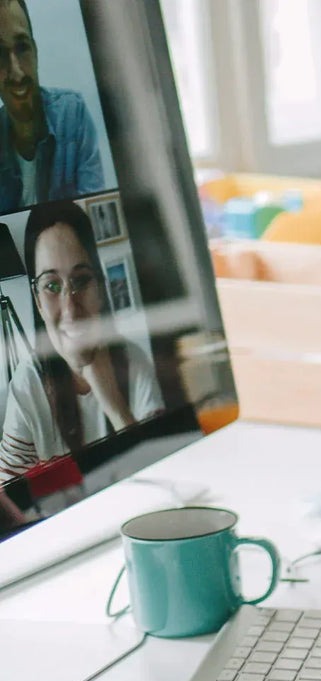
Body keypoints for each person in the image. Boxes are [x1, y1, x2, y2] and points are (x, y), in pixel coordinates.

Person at [0, 199, 160, 479]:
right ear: (37, 301)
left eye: (82, 280)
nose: (71, 308)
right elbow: (8, 498)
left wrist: (115, 406)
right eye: (51, 286)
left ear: (100, 288)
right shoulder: (28, 385)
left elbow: (165, 471)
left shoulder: (133, 361)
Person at [0, 0, 104, 212]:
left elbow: (96, 211)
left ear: (35, 52)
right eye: (0, 54)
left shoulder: (73, 114)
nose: (17, 72)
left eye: (22, 48)